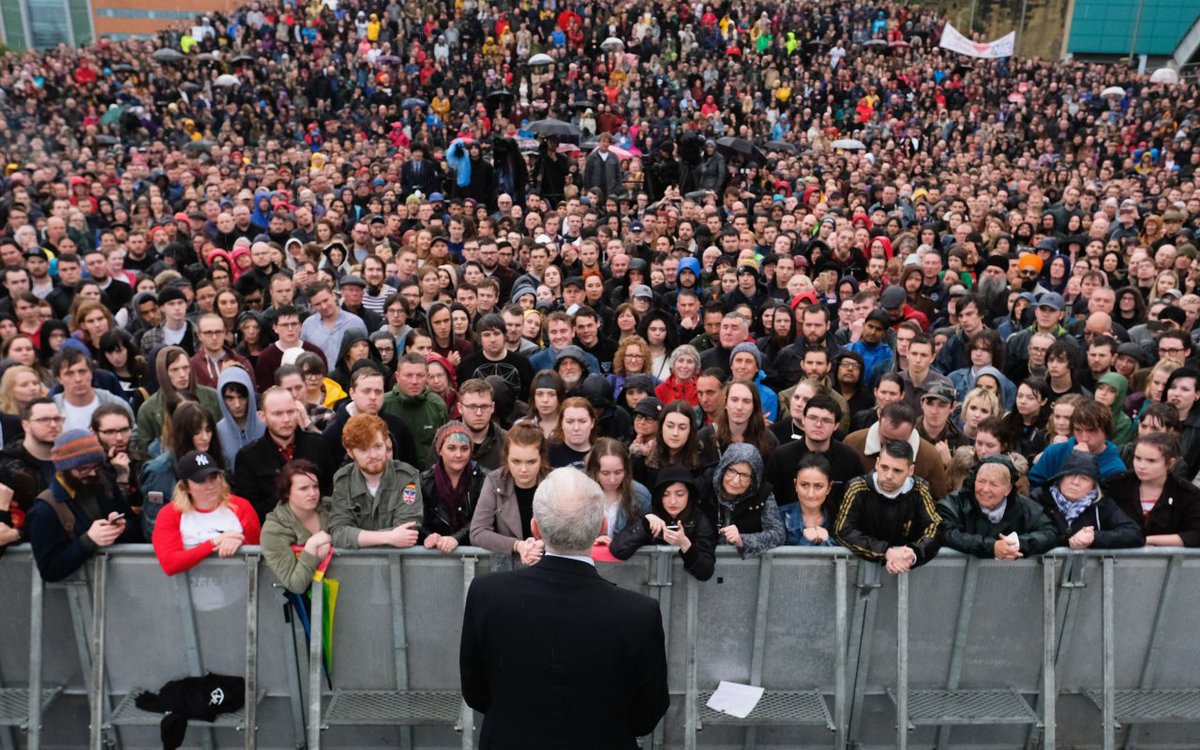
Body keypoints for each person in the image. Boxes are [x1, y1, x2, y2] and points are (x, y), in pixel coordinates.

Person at [460, 467, 669, 749]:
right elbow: (647, 713)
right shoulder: (638, 614)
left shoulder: (487, 594)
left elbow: (476, 692)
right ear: (602, 528)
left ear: (534, 527)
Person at [25, 430, 140, 582]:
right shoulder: (45, 510)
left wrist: (120, 527)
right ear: (64, 468)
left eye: (96, 467)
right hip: (76, 593)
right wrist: (88, 540)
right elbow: (50, 570)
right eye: (83, 469)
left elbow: (135, 528)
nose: (92, 473)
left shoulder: (104, 483)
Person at [834, 439, 942, 573]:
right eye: (884, 467)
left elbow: (935, 527)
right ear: (877, 463)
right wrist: (886, 552)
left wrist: (913, 554)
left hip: (906, 573)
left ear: (910, 470)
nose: (889, 476)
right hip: (857, 573)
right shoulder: (857, 488)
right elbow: (842, 530)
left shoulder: (920, 490)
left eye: (897, 470)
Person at [151, 450, 261, 576]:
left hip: (237, 588)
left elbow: (258, 552)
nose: (210, 486)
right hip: (188, 592)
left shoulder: (241, 507)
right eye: (201, 480)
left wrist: (241, 544)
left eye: (214, 477)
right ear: (185, 487)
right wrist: (214, 542)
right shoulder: (170, 514)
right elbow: (170, 563)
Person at [326, 414, 425, 549]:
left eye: (378, 446)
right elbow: (338, 533)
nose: (373, 455)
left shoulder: (406, 476)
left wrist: (359, 537)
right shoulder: (343, 480)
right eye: (364, 449)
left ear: (385, 443)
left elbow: (408, 532)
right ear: (350, 452)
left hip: (397, 564)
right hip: (357, 566)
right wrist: (389, 537)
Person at [233, 388, 333, 520]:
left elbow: (331, 489)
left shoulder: (318, 445)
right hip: (274, 528)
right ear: (263, 417)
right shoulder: (248, 457)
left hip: (318, 523)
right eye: (278, 414)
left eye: (291, 412)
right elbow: (249, 508)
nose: (286, 419)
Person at [937, 456, 1060, 559]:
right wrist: (992, 547)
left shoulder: (1025, 507)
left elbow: (1049, 533)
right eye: (981, 481)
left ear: (1008, 489)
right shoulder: (954, 503)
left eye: (993, 484)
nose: (985, 489)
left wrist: (1016, 543)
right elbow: (946, 533)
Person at [610, 464, 717, 580]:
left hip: (684, 586)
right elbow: (618, 550)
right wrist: (644, 525)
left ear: (689, 494)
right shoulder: (649, 512)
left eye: (680, 494)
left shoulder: (699, 519)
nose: (672, 501)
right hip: (645, 579)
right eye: (665, 494)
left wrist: (685, 544)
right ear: (659, 496)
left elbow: (706, 571)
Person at [469, 422, 552, 563]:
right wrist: (517, 545)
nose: (523, 469)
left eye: (531, 462)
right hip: (508, 567)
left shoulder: (555, 481)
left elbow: (571, 530)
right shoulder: (494, 481)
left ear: (542, 460)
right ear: (506, 458)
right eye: (516, 461)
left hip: (549, 567)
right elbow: (477, 532)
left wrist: (543, 544)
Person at [1031, 450, 1144, 549]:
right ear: (1060, 478)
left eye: (1084, 478)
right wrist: (1069, 540)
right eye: (1070, 475)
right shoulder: (1038, 499)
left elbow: (1134, 534)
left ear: (1093, 485)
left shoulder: (1102, 504)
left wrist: (1094, 537)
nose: (1075, 482)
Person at [1104, 432, 1200, 547]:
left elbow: (1195, 534)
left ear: (1170, 463)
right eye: (1138, 458)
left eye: (1151, 461)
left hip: (1167, 562)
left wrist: (1147, 540)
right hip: (1115, 561)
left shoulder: (1187, 494)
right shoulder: (1116, 484)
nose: (1141, 466)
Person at [844, 402, 951, 499]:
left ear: (912, 429)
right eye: (886, 438)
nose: (891, 445)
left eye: (899, 441)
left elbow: (939, 499)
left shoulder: (930, 456)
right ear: (879, 420)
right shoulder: (853, 443)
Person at [699, 442, 785, 558]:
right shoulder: (704, 486)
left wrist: (743, 540)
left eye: (744, 475)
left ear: (753, 479)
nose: (735, 481)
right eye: (732, 471)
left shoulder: (763, 493)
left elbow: (777, 534)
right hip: (704, 562)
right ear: (723, 469)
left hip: (744, 568)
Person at [261, 459, 332, 594]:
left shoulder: (331, 507)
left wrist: (331, 538)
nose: (312, 493)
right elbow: (296, 585)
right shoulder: (273, 530)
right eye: (303, 488)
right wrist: (311, 547)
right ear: (287, 492)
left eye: (315, 486)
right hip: (302, 606)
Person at [420, 422, 487, 553]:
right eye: (451, 448)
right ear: (439, 450)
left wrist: (457, 538)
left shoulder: (484, 478)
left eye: (464, 448)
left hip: (475, 553)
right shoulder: (424, 481)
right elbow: (417, 519)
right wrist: (428, 535)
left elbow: (483, 519)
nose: (458, 454)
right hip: (436, 555)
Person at [1028, 399, 1126, 488]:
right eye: (1078, 430)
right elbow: (1033, 485)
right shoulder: (1055, 451)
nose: (1084, 438)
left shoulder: (1115, 469)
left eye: (1091, 431)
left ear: (1106, 431)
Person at [381, 352, 449, 468]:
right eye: (408, 375)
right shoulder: (383, 404)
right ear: (397, 377)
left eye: (420, 376)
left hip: (429, 476)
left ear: (427, 376)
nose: (414, 381)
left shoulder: (437, 405)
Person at [585, 437, 651, 545]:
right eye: (605, 473)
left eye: (618, 472)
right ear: (594, 471)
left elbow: (648, 537)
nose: (612, 480)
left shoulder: (640, 495)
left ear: (626, 470)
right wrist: (589, 543)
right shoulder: (580, 494)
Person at [778, 454, 841, 547]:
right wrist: (805, 541)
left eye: (818, 486)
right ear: (795, 485)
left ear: (829, 488)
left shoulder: (840, 520)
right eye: (804, 485)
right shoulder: (779, 517)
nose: (811, 494)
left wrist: (827, 542)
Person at [214, 365, 264, 472]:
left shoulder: (266, 424)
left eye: (242, 397)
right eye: (230, 398)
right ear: (222, 399)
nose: (237, 404)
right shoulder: (217, 432)